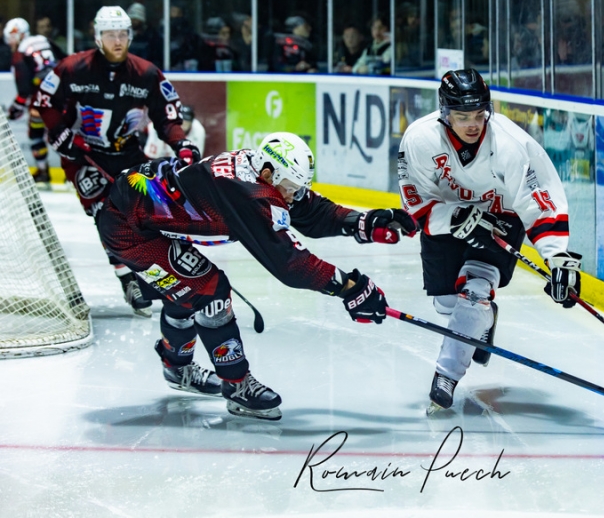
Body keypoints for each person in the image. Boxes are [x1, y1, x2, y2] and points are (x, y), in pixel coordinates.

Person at [95, 132, 418, 420]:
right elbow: (289, 263)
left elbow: (310, 211)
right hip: (129, 231)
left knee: (185, 292)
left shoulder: (261, 171)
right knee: (211, 292)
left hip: (146, 217)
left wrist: (364, 222)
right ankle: (236, 386)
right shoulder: (246, 192)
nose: (292, 195)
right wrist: (350, 287)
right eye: (289, 188)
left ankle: (176, 368)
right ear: (267, 173)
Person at [397, 69, 582, 413]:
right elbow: (415, 202)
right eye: (462, 116)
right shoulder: (420, 140)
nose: (472, 124)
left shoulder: (510, 146)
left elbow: (536, 201)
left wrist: (557, 259)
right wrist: (451, 217)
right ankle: (484, 319)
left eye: (479, 115)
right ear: (444, 112)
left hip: (501, 215)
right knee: (448, 303)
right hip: (447, 219)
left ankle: (445, 376)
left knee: (475, 291)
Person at [32, 6, 201, 318]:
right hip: (85, 157)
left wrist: (181, 143)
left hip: (127, 155)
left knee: (148, 214)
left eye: (123, 33)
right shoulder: (73, 68)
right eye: (110, 34)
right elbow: (45, 101)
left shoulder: (146, 73)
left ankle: (159, 277)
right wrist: (60, 134)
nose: (117, 40)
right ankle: (127, 279)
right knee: (105, 213)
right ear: (98, 36)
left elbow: (168, 115)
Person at [4, 17, 67, 184]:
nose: (10, 43)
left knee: (36, 133)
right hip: (64, 91)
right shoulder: (43, 39)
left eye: (10, 38)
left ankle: (42, 170)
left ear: (18, 35)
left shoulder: (20, 54)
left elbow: (24, 91)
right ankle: (74, 172)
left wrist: (13, 110)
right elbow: (66, 60)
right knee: (65, 133)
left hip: (43, 97)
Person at [126, 3, 163, 68]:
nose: (133, 21)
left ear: (142, 20)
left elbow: (156, 57)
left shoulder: (152, 36)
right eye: (131, 18)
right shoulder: (125, 35)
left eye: (136, 19)